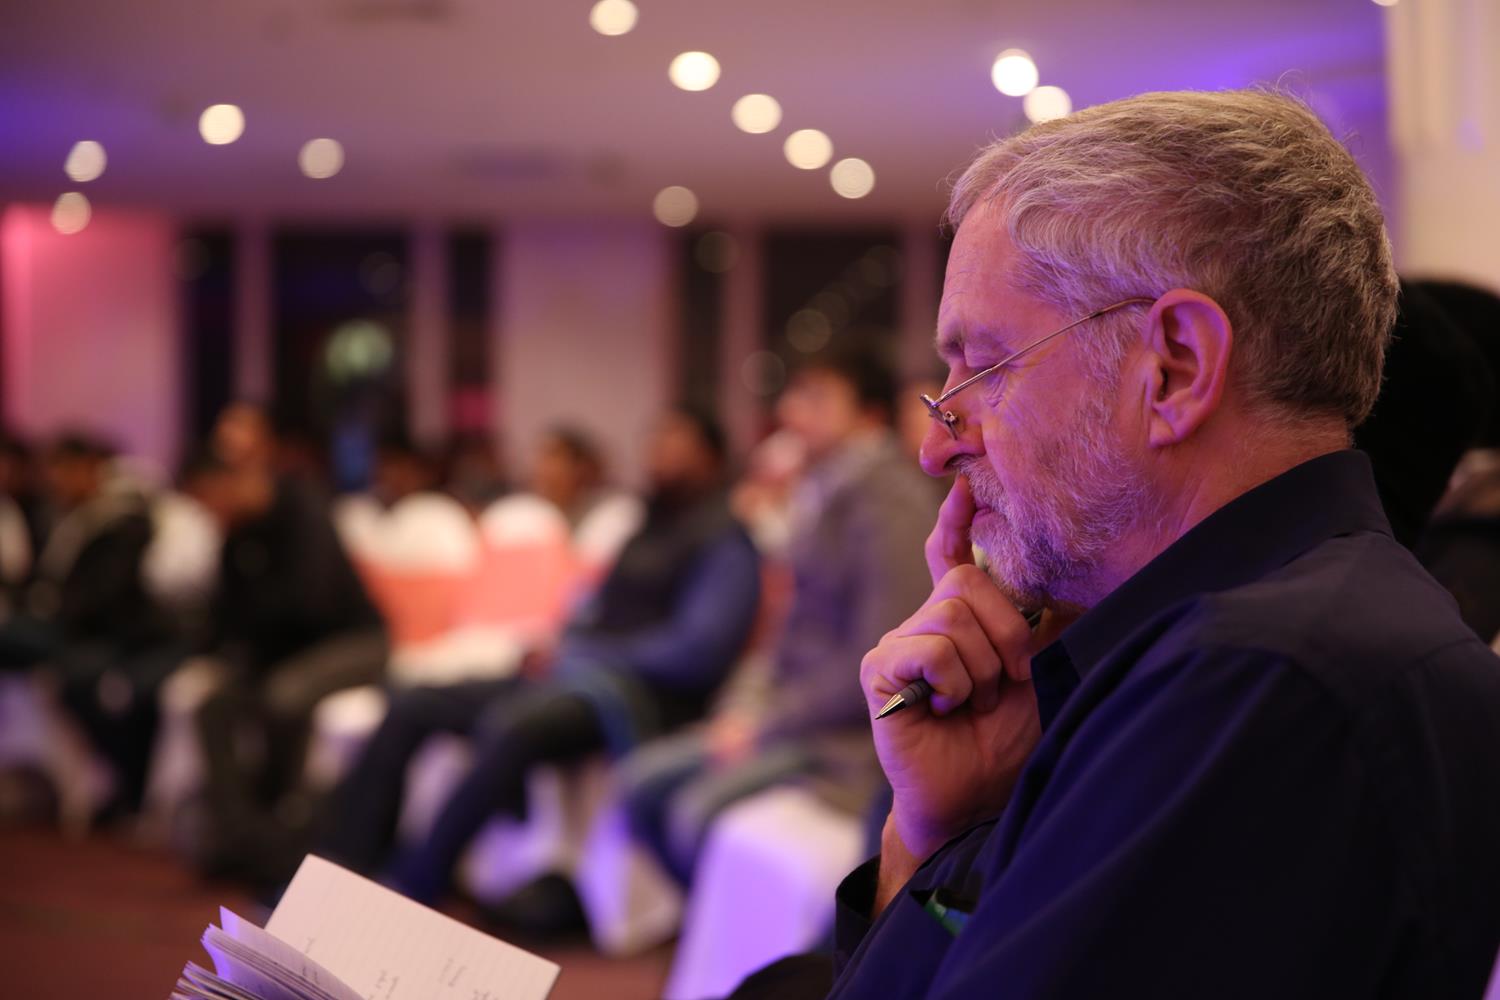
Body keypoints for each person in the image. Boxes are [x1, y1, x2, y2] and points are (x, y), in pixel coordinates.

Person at [822, 90, 1500, 999]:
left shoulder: (1258, 678)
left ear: (1175, 365)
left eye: (981, 368)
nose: (936, 441)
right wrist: (939, 834)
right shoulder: (1273, 645)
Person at [320, 405, 761, 904]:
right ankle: (346, 863)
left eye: (673, 440)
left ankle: (417, 879)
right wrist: (563, 641)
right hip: (578, 672)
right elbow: (596, 608)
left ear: (709, 456)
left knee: (512, 724)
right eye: (654, 437)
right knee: (412, 701)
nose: (657, 451)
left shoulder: (726, 539)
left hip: (639, 694)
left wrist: (589, 654)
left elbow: (696, 652)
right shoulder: (649, 523)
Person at [619, 349, 939, 885]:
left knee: (688, 812)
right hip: (794, 716)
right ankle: (708, 938)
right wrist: (745, 710)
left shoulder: (889, 505)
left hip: (844, 743)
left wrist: (766, 725)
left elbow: (875, 661)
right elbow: (785, 634)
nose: (792, 411)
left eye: (815, 397)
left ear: (869, 417)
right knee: (639, 784)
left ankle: (732, 951)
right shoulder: (825, 491)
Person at [184, 406, 388, 875]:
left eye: (208, 500)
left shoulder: (302, 508)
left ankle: (278, 834)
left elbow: (309, 606)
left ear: (232, 482)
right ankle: (240, 834)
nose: (207, 513)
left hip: (353, 642)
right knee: (212, 704)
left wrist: (246, 639)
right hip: (279, 654)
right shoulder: (234, 537)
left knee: (283, 697)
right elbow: (222, 621)